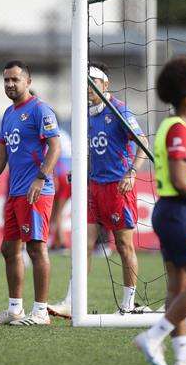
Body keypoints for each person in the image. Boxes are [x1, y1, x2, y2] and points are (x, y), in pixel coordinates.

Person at [134, 56, 186, 365]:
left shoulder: (175, 128)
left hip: (171, 212)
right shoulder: (179, 131)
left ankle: (183, 357)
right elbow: (180, 180)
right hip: (181, 213)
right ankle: (153, 337)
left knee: (178, 288)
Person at [48, 62, 148, 318]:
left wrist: (132, 172)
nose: (89, 89)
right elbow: (89, 150)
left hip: (118, 188)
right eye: (85, 84)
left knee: (125, 246)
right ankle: (71, 302)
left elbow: (143, 143)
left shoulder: (120, 111)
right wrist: (79, 170)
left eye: (94, 83)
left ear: (106, 85)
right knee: (84, 243)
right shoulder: (84, 115)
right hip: (92, 187)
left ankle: (128, 304)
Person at [0, 60, 61, 326]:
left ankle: (40, 312)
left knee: (36, 249)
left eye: (15, 79)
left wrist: (41, 178)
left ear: (28, 81)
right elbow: (2, 151)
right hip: (15, 192)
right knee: (8, 248)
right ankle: (15, 309)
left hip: (35, 192)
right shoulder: (9, 113)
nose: (10, 84)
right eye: (6, 80)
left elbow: (55, 147)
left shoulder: (40, 110)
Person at [49, 125, 72, 252]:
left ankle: (61, 243)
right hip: (70, 174)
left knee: (57, 211)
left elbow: (53, 154)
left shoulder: (51, 133)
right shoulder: (65, 134)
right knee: (58, 211)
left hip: (61, 173)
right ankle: (56, 242)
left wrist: (54, 176)